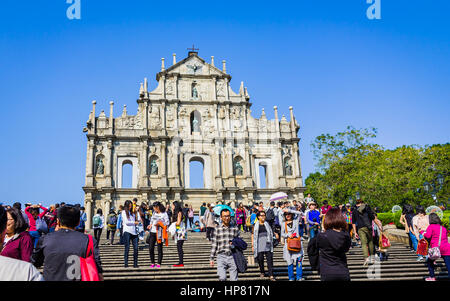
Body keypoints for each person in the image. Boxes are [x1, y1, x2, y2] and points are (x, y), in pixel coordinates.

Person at [31, 205, 103, 281]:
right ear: (78, 222)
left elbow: (35, 262)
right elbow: (98, 272)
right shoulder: (89, 240)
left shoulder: (45, 239)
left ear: (58, 221)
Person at [0, 206, 44, 281]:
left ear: (16, 220)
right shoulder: (2, 236)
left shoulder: (24, 238)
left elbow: (26, 262)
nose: (6, 222)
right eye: (4, 220)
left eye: (8, 219)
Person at [311, 208, 351, 281]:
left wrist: (316, 265)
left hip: (327, 271)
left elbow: (311, 248)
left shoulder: (321, 236)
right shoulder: (346, 235)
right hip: (342, 270)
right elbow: (346, 249)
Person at [210, 209, 240, 281]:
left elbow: (239, 242)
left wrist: (235, 243)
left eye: (228, 216)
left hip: (233, 255)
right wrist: (211, 258)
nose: (227, 218)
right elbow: (214, 244)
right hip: (221, 256)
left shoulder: (235, 228)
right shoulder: (217, 229)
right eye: (224, 216)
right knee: (222, 277)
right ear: (221, 217)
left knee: (234, 279)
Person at [351, 199, 382, 266]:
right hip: (369, 227)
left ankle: (366, 258)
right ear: (362, 202)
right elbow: (373, 218)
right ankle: (372, 257)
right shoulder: (367, 207)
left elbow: (353, 222)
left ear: (356, 203)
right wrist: (379, 225)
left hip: (361, 228)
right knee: (370, 242)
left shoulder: (354, 210)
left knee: (364, 243)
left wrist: (355, 232)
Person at [423, 213, 450, 281]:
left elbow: (428, 236)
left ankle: (432, 277)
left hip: (436, 248)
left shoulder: (431, 226)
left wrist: (423, 233)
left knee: (429, 261)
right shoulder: (443, 228)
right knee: (448, 264)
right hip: (446, 247)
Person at [281, 208, 304, 281]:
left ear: (292, 214)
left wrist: (289, 210)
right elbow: (282, 234)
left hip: (297, 244)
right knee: (289, 261)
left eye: (289, 214)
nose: (287, 215)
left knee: (299, 261)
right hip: (288, 245)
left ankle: (299, 276)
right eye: (286, 214)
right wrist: (288, 235)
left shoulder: (296, 221)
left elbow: (301, 214)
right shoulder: (283, 223)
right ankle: (291, 277)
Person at [252, 211, 275, 281]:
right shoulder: (255, 225)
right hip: (259, 243)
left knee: (269, 260)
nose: (263, 217)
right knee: (260, 259)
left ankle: (271, 274)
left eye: (264, 215)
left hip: (267, 243)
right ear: (258, 217)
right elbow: (253, 235)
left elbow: (270, 232)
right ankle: (262, 271)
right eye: (261, 215)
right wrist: (253, 245)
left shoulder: (267, 224)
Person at [147, 201, 169, 268]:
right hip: (152, 232)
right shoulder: (154, 213)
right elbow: (151, 221)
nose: (154, 209)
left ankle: (159, 263)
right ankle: (152, 262)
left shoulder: (164, 214)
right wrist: (150, 225)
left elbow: (167, 223)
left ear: (158, 207)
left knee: (159, 248)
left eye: (155, 207)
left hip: (160, 232)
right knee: (151, 248)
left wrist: (160, 224)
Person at [122, 200, 139, 268]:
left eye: (131, 205)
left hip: (134, 232)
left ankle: (135, 263)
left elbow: (136, 221)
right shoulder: (123, 212)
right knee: (127, 247)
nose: (130, 207)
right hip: (127, 231)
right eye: (129, 205)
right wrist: (134, 222)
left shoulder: (132, 213)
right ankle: (126, 263)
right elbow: (126, 222)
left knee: (136, 248)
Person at [171, 201, 186, 267]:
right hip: (179, 232)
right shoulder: (176, 213)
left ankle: (181, 262)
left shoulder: (179, 212)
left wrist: (172, 225)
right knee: (179, 246)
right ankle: (180, 261)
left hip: (181, 232)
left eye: (173, 205)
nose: (172, 206)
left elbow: (178, 223)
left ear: (175, 206)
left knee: (179, 247)